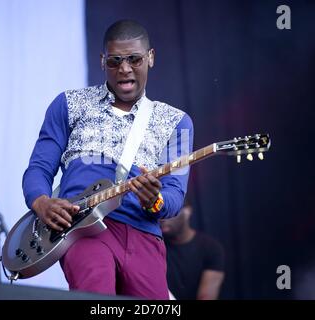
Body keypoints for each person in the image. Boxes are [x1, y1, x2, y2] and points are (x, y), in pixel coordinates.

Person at [22, 19, 193, 299]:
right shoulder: (68, 104)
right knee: (96, 298)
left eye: (134, 59)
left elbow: (175, 194)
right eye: (115, 61)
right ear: (102, 61)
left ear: (151, 57)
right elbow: (39, 168)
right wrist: (41, 202)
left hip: (143, 235)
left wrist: (155, 200)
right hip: (84, 230)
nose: (124, 69)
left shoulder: (178, 122)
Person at [160, 203, 225, 300]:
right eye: (160, 212)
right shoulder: (155, 246)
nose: (162, 219)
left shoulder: (211, 247)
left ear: (187, 212)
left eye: (168, 212)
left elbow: (206, 296)